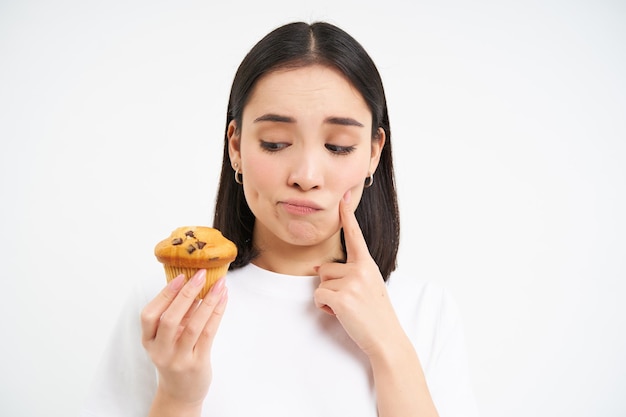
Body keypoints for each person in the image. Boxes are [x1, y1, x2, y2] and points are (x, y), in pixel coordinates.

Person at [80, 21, 479, 417]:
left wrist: (390, 347)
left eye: (338, 147)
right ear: (235, 146)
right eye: (275, 143)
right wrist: (179, 397)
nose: (305, 175)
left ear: (373, 153)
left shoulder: (425, 310)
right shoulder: (166, 308)